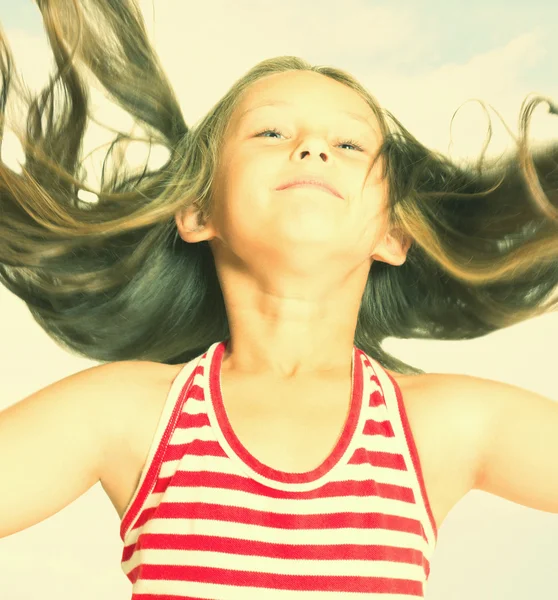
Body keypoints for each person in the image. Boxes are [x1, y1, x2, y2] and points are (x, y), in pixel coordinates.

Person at [0, 1, 557, 598]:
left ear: (394, 235)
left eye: (350, 145)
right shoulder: (125, 414)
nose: (314, 147)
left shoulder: (441, 426)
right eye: (271, 132)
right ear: (197, 211)